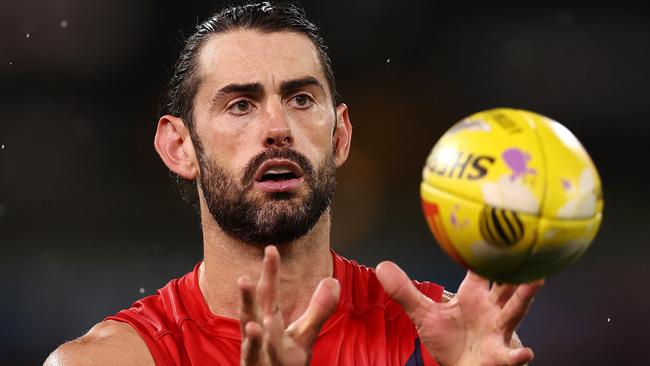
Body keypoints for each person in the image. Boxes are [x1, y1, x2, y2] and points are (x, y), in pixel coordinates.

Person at [45, 2, 543, 365]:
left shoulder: (437, 337)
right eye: (240, 104)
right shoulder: (115, 359)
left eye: (301, 99)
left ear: (341, 135)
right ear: (180, 147)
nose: (277, 127)